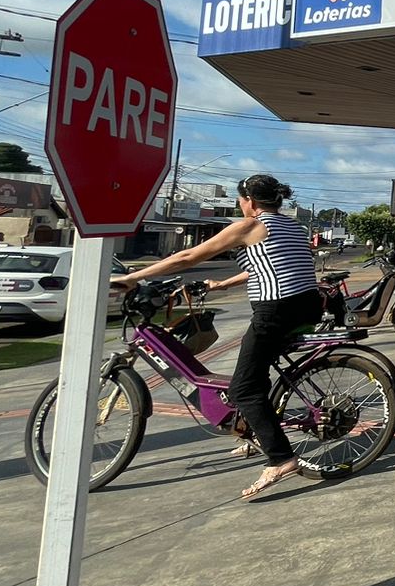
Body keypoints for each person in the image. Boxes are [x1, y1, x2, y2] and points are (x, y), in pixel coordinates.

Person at [112, 174, 322, 500]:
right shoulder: (292, 226)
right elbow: (266, 265)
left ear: (249, 200)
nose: (242, 206)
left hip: (276, 311)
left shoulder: (251, 225)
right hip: (306, 306)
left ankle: (281, 458)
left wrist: (132, 277)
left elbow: (187, 257)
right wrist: (223, 285)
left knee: (244, 388)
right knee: (255, 374)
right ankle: (256, 434)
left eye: (241, 200)